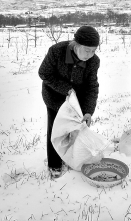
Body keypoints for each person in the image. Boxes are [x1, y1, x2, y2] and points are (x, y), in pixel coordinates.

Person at [38, 26, 100, 178]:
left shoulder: (93, 61)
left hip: (76, 101)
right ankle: (54, 165)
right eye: (87, 50)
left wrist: (87, 111)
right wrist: (67, 89)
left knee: (75, 128)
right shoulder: (57, 51)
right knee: (56, 129)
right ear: (76, 44)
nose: (90, 55)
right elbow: (44, 73)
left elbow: (91, 86)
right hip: (54, 96)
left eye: (93, 50)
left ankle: (70, 157)